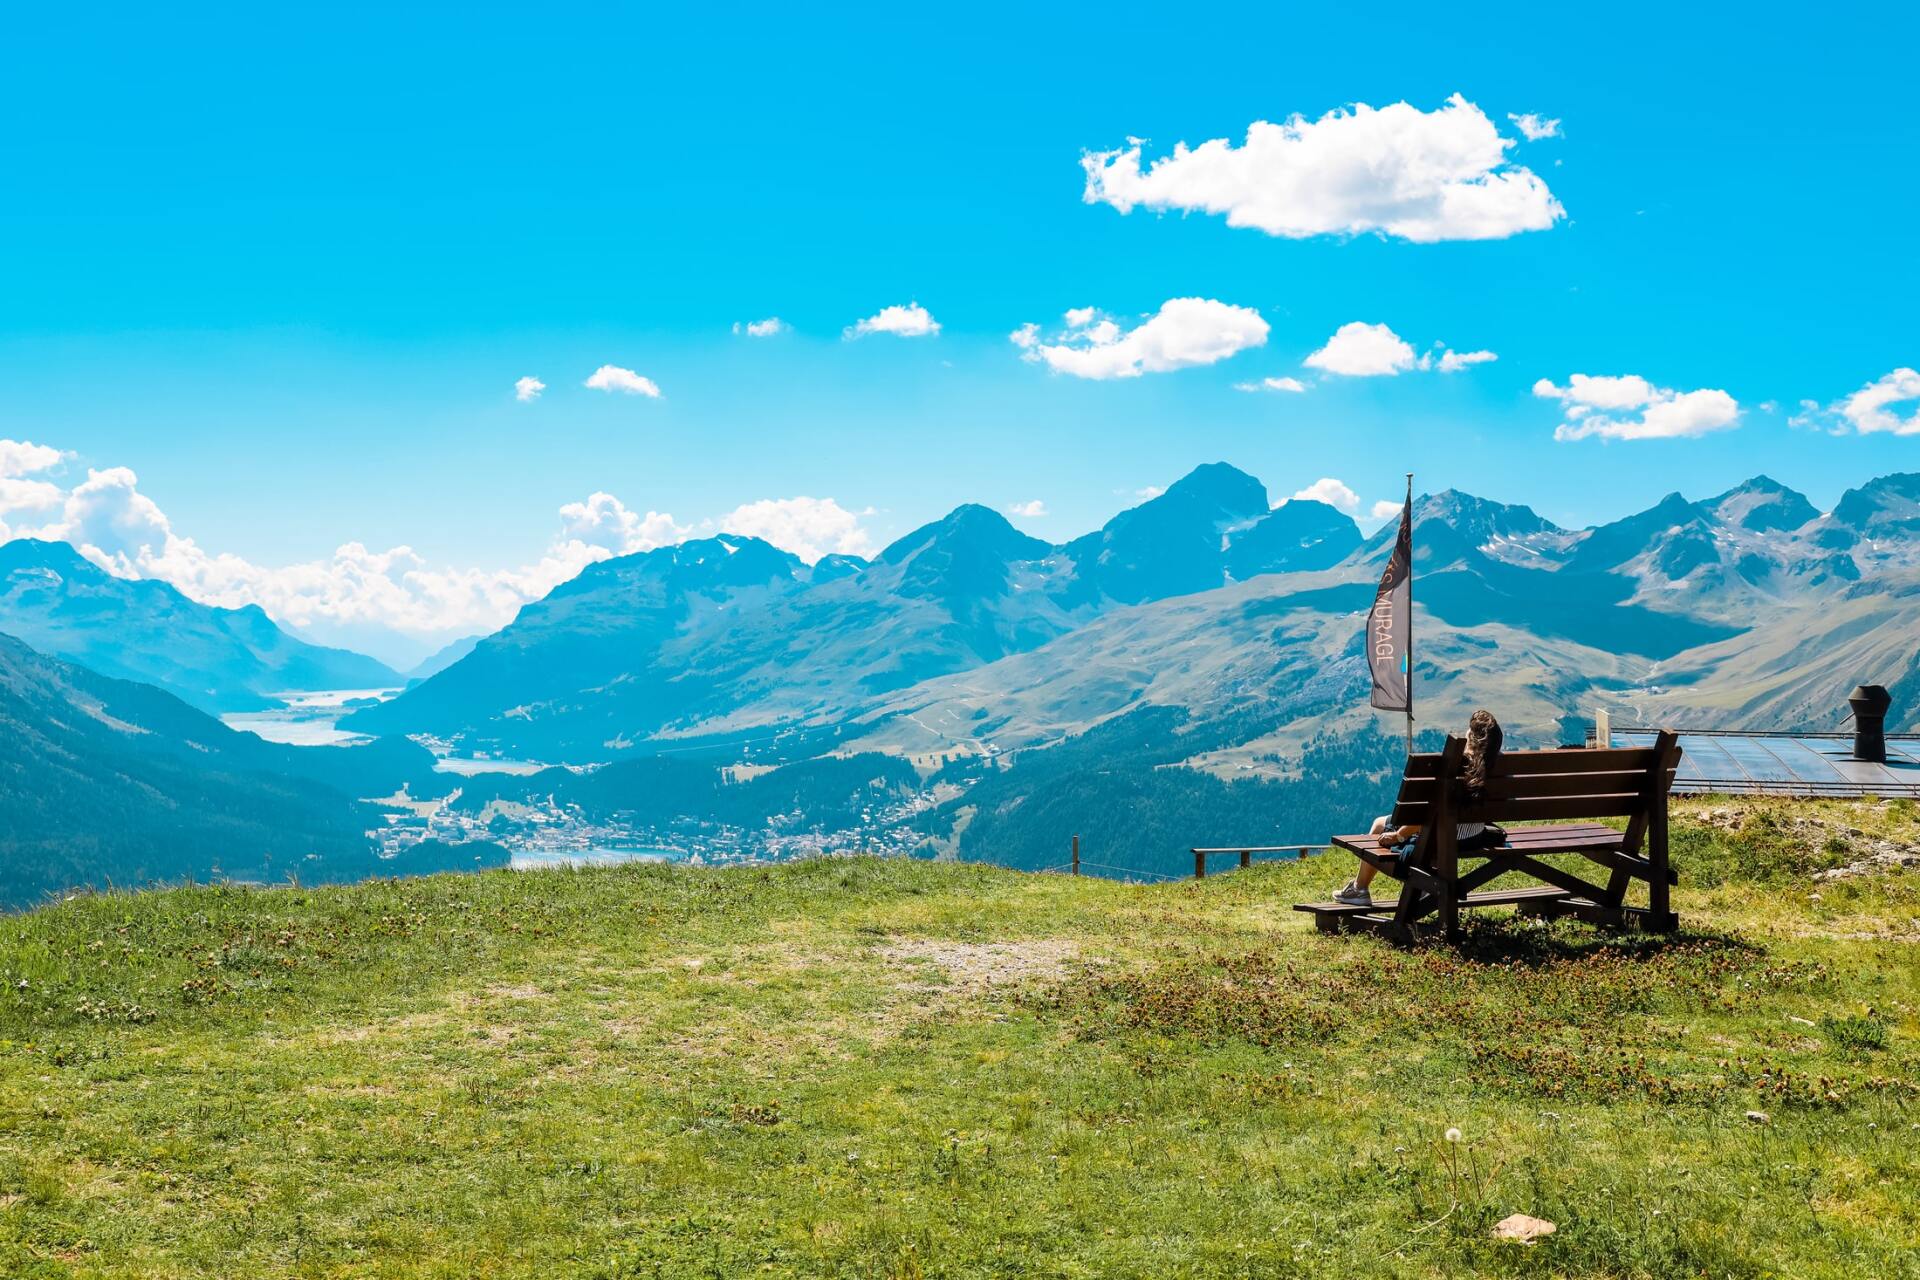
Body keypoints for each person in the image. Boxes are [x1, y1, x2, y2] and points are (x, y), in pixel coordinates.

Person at [1332, 710, 1506, 907]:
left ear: (1471, 737)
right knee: (1415, 830)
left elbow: (1428, 815)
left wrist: (1399, 835)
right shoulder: (1497, 764)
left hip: (1443, 837)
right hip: (1473, 838)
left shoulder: (1455, 765)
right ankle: (1422, 884)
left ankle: (1360, 889)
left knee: (1380, 825)